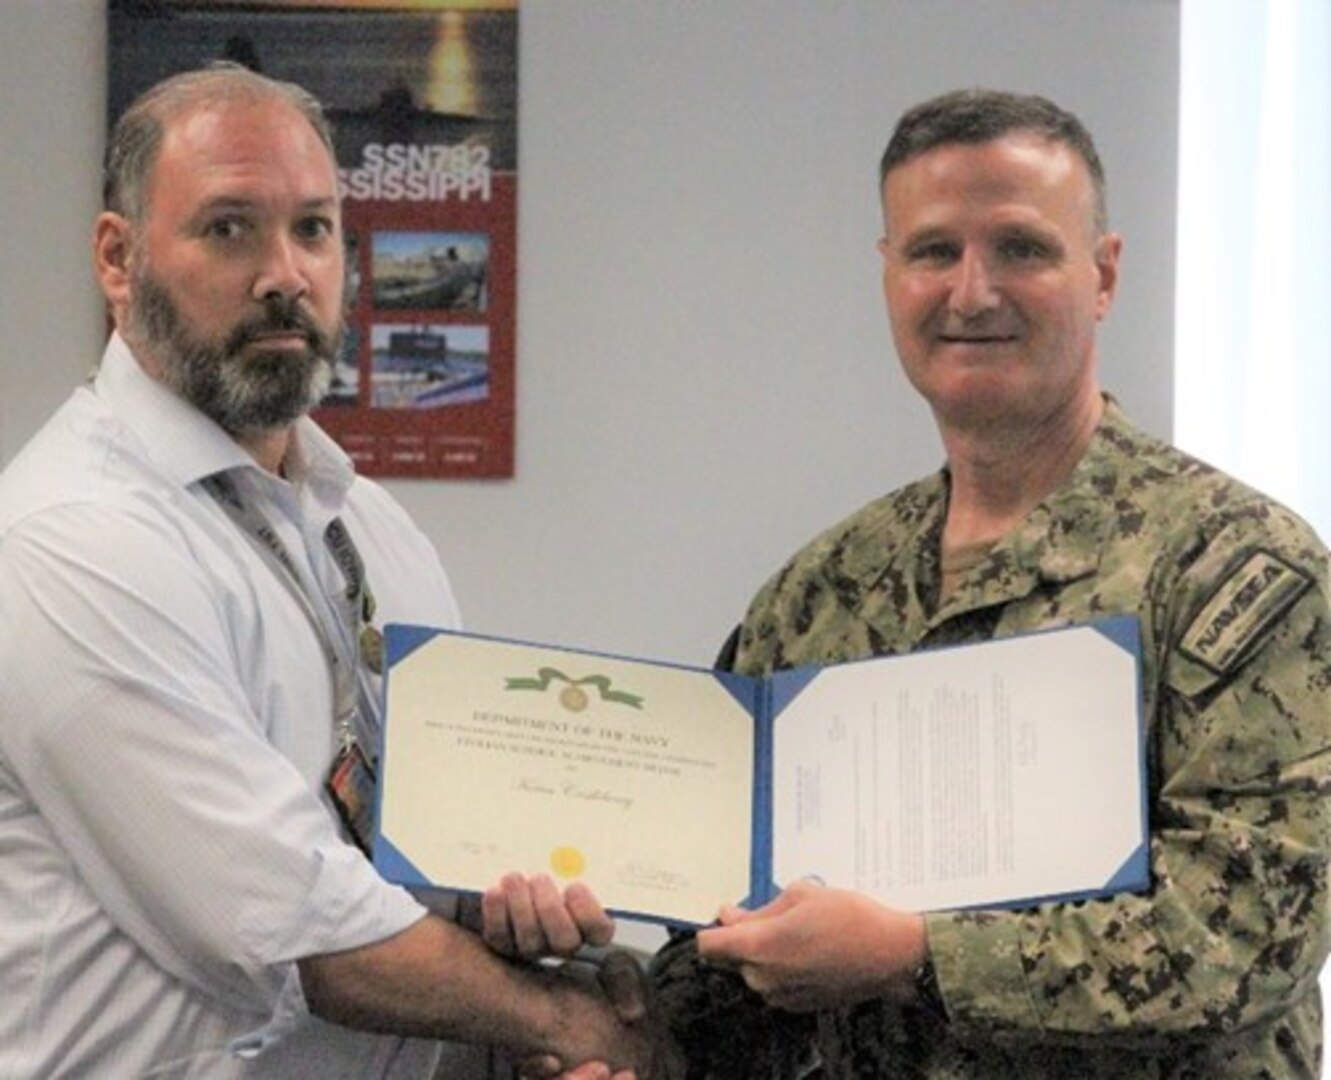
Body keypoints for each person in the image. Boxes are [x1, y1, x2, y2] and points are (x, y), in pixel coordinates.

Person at [0, 62, 666, 1079]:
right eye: (229, 227)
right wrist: (574, 1026)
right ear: (118, 257)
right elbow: (294, 927)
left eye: (313, 229)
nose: (285, 273)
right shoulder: (70, 538)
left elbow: (430, 873)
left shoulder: (370, 528)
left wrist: (524, 929)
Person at [648, 88, 1331, 1077]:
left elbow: (1248, 933)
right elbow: (723, 927)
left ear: (1101, 275)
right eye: (932, 252)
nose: (971, 292)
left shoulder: (1235, 571)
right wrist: (591, 987)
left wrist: (911, 957)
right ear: (886, 275)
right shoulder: (820, 592)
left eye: (1019, 248)